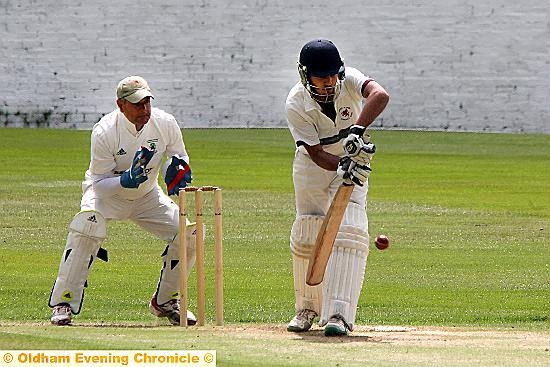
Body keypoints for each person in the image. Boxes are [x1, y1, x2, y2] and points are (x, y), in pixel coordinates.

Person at [49, 76, 196, 326]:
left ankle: (166, 301)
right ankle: (64, 302)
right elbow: (98, 184)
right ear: (121, 105)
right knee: (87, 226)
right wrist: (124, 180)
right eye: (138, 104)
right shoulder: (105, 131)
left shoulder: (165, 122)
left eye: (147, 102)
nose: (145, 110)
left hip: (147, 195)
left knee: (188, 234)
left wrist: (178, 166)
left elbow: (178, 153)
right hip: (107, 196)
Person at [285, 39, 389, 336]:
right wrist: (344, 164)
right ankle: (307, 308)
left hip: (354, 158)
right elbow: (316, 154)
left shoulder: (350, 80)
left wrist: (357, 132)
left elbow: (380, 95)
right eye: (322, 76)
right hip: (313, 167)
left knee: (350, 229)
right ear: (306, 76)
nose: (329, 82)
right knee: (308, 232)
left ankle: (339, 315)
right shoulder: (296, 103)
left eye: (333, 74)